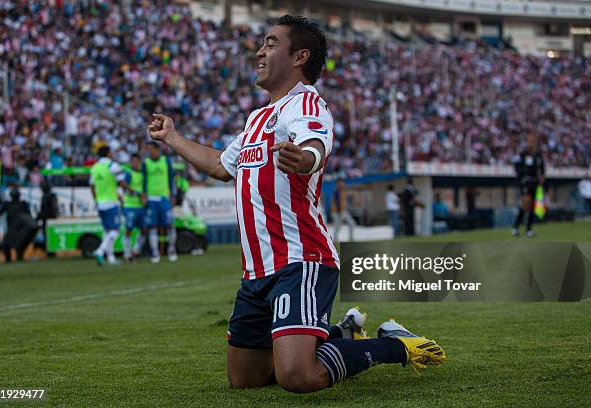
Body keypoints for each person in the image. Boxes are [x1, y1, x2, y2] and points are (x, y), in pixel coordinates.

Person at [147, 15, 444, 393]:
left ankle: (395, 345)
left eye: (271, 43)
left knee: (297, 376)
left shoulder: (305, 104)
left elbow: (314, 147)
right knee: (246, 379)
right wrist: (172, 137)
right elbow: (222, 167)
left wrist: (303, 159)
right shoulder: (257, 118)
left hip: (301, 261)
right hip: (256, 272)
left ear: (300, 56)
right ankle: (343, 333)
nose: (259, 51)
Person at [89, 145, 125, 266]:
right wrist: (123, 195)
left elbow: (92, 187)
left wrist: (97, 200)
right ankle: (100, 250)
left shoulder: (94, 168)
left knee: (106, 231)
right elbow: (121, 182)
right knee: (115, 230)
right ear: (108, 154)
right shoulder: (112, 166)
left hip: (100, 203)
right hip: (111, 202)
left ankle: (110, 257)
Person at [142, 142, 178, 263]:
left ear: (158, 150)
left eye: (152, 149)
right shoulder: (146, 163)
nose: (150, 152)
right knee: (152, 226)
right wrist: (144, 195)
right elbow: (144, 181)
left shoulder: (166, 161)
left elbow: (171, 179)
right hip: (151, 199)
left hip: (164, 198)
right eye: (148, 150)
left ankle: (171, 250)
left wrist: (173, 195)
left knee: (169, 225)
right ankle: (155, 252)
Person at [512, 132, 545, 238]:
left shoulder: (538, 155)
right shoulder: (523, 154)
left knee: (532, 207)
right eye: (530, 141)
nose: (532, 143)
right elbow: (517, 167)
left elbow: (542, 168)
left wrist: (542, 176)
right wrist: (521, 177)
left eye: (533, 141)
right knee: (525, 204)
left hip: (535, 182)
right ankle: (516, 226)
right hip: (526, 182)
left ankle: (529, 229)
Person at [0, 186, 38, 262]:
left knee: (18, 245)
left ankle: (18, 257)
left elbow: (29, 217)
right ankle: (9, 259)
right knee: (6, 244)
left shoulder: (23, 204)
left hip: (20, 230)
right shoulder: (8, 204)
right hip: (12, 229)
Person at [122, 154, 147, 262]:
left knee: (144, 230)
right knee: (129, 230)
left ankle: (135, 251)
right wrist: (137, 193)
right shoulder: (129, 173)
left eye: (137, 161)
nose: (135, 164)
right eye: (133, 162)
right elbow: (123, 185)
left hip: (140, 206)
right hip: (130, 205)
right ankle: (127, 254)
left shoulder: (142, 174)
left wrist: (144, 197)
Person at [36, 181, 59, 254]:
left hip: (47, 219)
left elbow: (44, 209)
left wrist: (38, 217)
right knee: (52, 235)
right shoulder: (53, 196)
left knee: (47, 235)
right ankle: (52, 250)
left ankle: (49, 251)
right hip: (52, 218)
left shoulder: (46, 197)